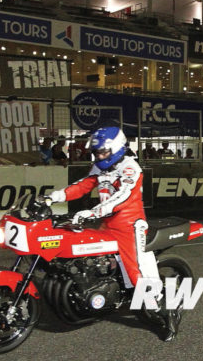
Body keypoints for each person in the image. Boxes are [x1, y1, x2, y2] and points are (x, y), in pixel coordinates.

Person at [46, 126, 180, 341]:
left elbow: (123, 198)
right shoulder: (100, 168)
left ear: (116, 148)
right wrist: (53, 197)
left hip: (130, 226)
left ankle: (165, 315)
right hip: (107, 224)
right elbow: (82, 186)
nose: (99, 156)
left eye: (103, 152)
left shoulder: (130, 168)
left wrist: (93, 211)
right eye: (97, 152)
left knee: (136, 274)